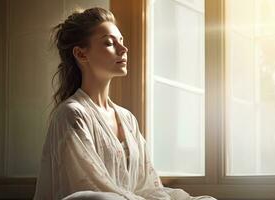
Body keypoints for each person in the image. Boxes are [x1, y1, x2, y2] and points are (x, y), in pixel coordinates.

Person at [33, 7, 215, 200]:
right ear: (81, 54)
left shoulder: (127, 118)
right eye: (109, 43)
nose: (123, 49)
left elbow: (146, 185)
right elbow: (88, 185)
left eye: (121, 41)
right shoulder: (71, 114)